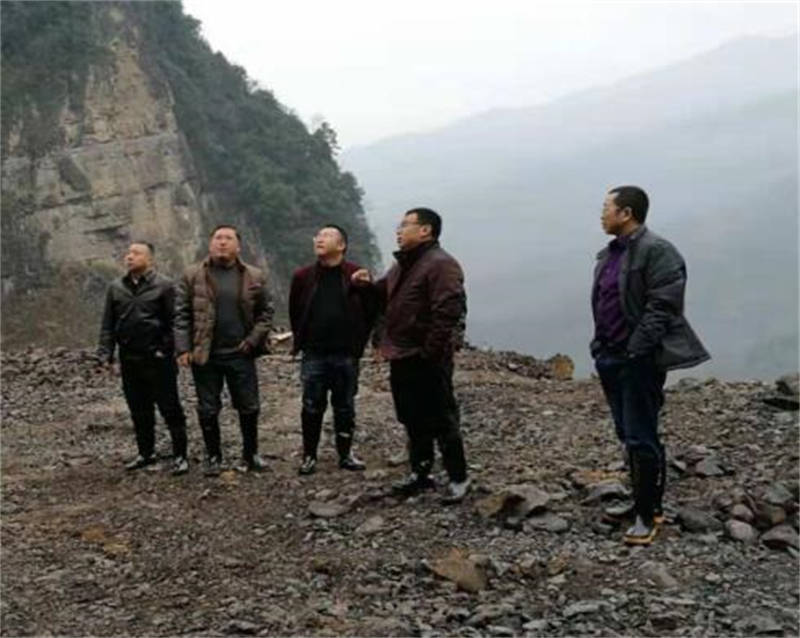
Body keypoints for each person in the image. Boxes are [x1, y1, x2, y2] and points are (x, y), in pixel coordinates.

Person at [591, 185, 710, 545]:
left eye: (606, 207)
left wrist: (636, 350)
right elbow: (606, 302)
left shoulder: (657, 251)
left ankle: (648, 514)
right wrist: (599, 345)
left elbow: (664, 306)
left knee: (641, 435)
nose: (601, 214)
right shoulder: (610, 253)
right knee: (627, 433)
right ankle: (641, 502)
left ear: (626, 213)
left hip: (638, 360)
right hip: (610, 356)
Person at [353, 207, 470, 504]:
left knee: (442, 417)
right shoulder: (403, 265)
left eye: (405, 225)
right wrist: (365, 285)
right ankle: (420, 473)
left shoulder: (441, 264)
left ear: (425, 230)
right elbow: (382, 295)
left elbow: (448, 312)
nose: (399, 230)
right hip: (402, 353)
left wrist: (431, 352)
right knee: (412, 417)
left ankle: (458, 477)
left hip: (426, 357)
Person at [174, 225, 274, 476]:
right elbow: (182, 314)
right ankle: (213, 457)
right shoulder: (192, 274)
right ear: (210, 244)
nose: (222, 242)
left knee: (249, 406)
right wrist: (183, 348)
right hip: (206, 353)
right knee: (208, 408)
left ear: (238, 246)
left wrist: (252, 340)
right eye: (218, 238)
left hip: (241, 352)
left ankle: (251, 454)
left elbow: (265, 313)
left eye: (228, 238)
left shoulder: (253, 275)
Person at [289, 223, 378, 475]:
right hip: (314, 352)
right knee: (311, 405)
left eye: (327, 235)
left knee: (345, 406)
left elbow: (372, 310)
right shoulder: (303, 276)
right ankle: (309, 455)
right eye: (318, 235)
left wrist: (366, 288)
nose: (319, 239)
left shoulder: (356, 275)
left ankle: (345, 454)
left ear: (341, 245)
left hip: (345, 353)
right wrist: (302, 341)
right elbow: (296, 312)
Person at [97, 241, 188, 475]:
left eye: (136, 253)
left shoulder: (165, 286)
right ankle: (145, 453)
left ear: (150, 259)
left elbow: (176, 321)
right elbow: (108, 324)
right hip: (130, 357)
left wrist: (167, 349)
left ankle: (181, 455)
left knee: (170, 407)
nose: (130, 257)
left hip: (158, 358)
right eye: (128, 253)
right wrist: (106, 354)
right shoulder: (116, 288)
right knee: (138, 408)